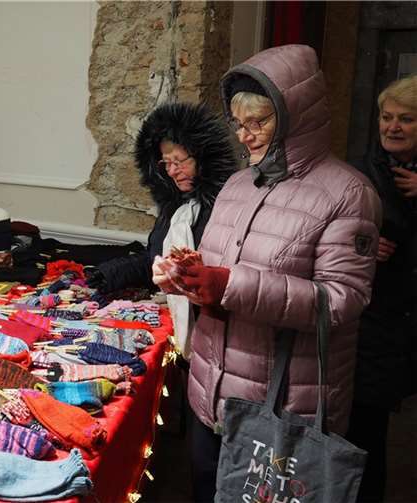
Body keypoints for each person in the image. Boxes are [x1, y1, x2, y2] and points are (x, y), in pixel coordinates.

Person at [154, 44, 382, 502]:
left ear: (297, 116)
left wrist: (228, 285)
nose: (245, 136)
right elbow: (220, 275)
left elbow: (342, 300)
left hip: (282, 406)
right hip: (211, 394)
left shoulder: (348, 193)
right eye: (239, 124)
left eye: (258, 122)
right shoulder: (238, 185)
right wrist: (189, 277)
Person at [87, 102, 236, 358]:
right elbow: (156, 260)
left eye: (179, 161)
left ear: (203, 158)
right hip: (175, 326)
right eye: (166, 163)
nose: (172, 171)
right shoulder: (175, 209)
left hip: (215, 336)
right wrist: (110, 273)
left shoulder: (227, 210)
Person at [346, 74, 417, 503]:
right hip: (374, 320)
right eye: (387, 117)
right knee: (366, 431)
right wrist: (364, 245)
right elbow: (336, 234)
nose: (393, 127)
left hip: (410, 320)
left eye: (406, 119)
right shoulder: (361, 172)